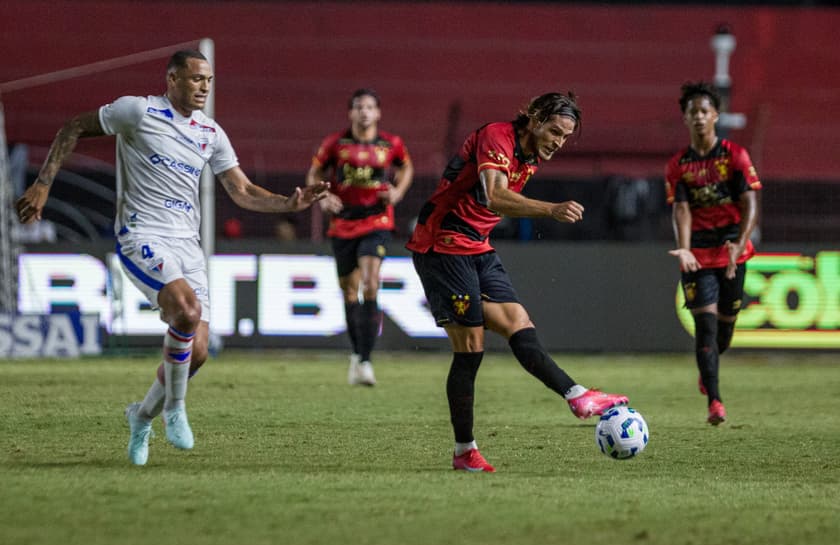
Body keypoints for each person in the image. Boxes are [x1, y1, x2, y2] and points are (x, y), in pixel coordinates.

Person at [15, 49, 328, 465]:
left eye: (209, 81)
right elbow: (73, 127)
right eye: (196, 79)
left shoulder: (210, 133)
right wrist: (42, 186)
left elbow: (242, 190)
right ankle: (176, 409)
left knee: (196, 350)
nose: (203, 88)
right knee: (186, 308)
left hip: (188, 247)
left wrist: (289, 204)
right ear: (172, 79)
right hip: (141, 236)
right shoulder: (137, 112)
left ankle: (141, 416)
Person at [406, 92, 629, 473]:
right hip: (442, 245)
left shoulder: (529, 155)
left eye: (564, 138)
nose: (558, 143)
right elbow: (494, 196)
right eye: (554, 132)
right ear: (534, 119)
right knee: (471, 348)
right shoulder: (498, 136)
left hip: (478, 247)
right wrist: (551, 210)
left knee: (518, 324)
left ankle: (577, 396)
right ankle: (464, 451)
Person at [665, 81, 761, 426]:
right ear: (685, 118)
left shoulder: (735, 156)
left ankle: (708, 371)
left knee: (724, 334)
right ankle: (716, 403)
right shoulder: (678, 165)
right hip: (699, 256)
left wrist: (740, 242)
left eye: (705, 111)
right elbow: (682, 211)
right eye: (693, 112)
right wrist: (686, 250)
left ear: (715, 115)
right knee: (704, 329)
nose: (699, 117)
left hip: (733, 251)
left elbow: (749, 202)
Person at [306, 88, 413, 386]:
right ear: (350, 113)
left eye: (369, 107)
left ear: (378, 113)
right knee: (349, 291)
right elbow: (314, 173)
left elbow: (406, 167)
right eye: (358, 107)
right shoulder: (335, 144)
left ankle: (366, 361)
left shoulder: (391, 144)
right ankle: (357, 355)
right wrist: (323, 196)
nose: (364, 112)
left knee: (370, 282)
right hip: (343, 223)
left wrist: (398, 191)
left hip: (376, 220)